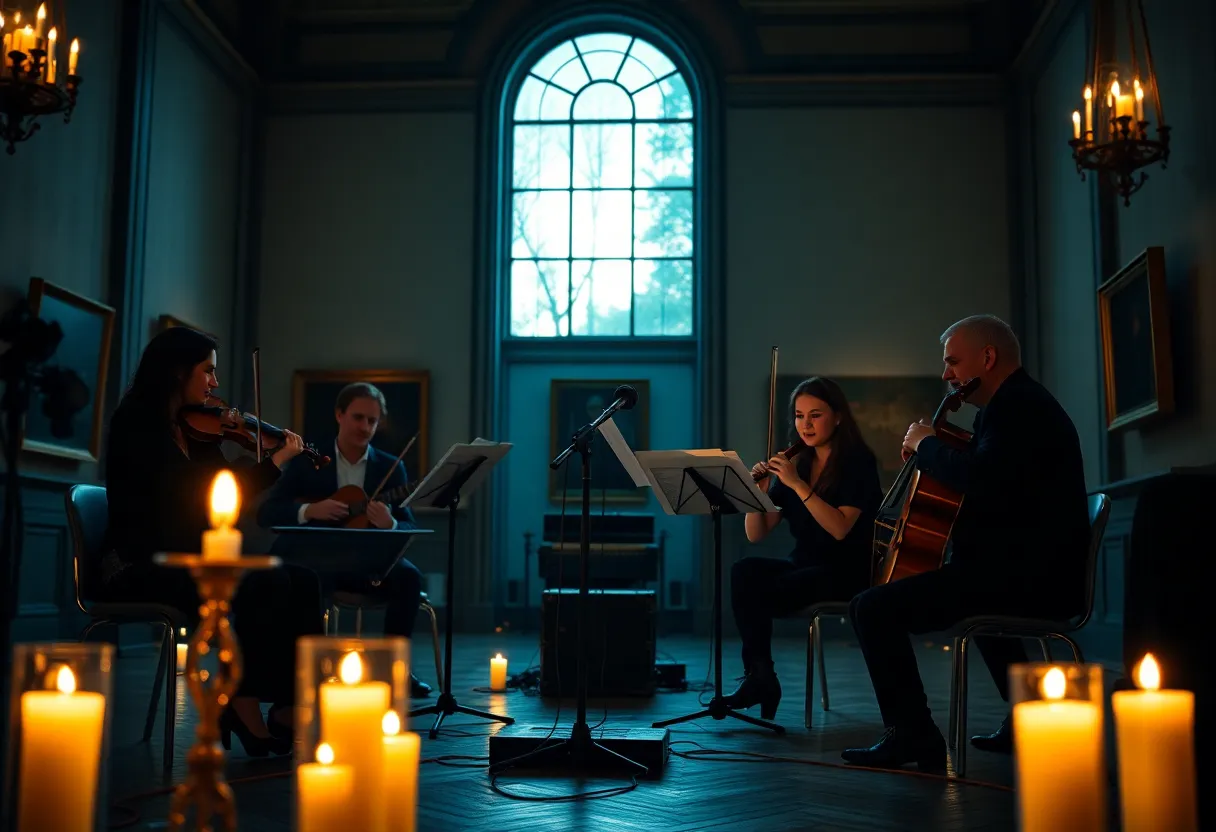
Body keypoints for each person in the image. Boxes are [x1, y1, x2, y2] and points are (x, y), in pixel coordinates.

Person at [843, 315, 1091, 771]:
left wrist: (926, 446)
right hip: (1023, 571)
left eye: (953, 362)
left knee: (870, 607)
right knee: (934, 595)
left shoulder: (1018, 409)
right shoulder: (1012, 407)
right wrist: (936, 450)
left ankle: (913, 736)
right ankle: (1024, 717)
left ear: (988, 357)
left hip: (1028, 579)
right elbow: (995, 479)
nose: (946, 375)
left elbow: (982, 480)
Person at [100, 326, 324, 757]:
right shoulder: (137, 426)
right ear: (176, 372)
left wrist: (264, 457)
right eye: (208, 371)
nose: (215, 384)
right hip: (140, 564)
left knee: (303, 579)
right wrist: (273, 460)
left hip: (185, 556)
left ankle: (286, 704)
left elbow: (222, 493)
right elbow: (193, 496)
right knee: (266, 583)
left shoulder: (196, 427)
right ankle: (241, 705)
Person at [257, 382, 432, 698]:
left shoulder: (392, 466)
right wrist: (311, 509)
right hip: (317, 561)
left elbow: (408, 523)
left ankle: (396, 671)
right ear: (339, 415)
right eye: (358, 417)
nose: (365, 427)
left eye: (372, 421)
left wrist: (390, 522)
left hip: (369, 563)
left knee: (409, 577)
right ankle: (311, 669)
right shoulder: (307, 458)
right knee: (304, 581)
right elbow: (269, 512)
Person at [727, 377, 882, 719]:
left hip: (847, 572)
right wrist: (760, 493)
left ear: (838, 416)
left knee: (769, 590)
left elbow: (840, 529)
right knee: (744, 571)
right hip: (805, 565)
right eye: (799, 416)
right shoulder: (800, 463)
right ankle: (760, 675)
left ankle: (761, 678)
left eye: (815, 415)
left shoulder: (857, 462)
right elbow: (757, 533)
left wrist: (796, 484)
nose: (805, 425)